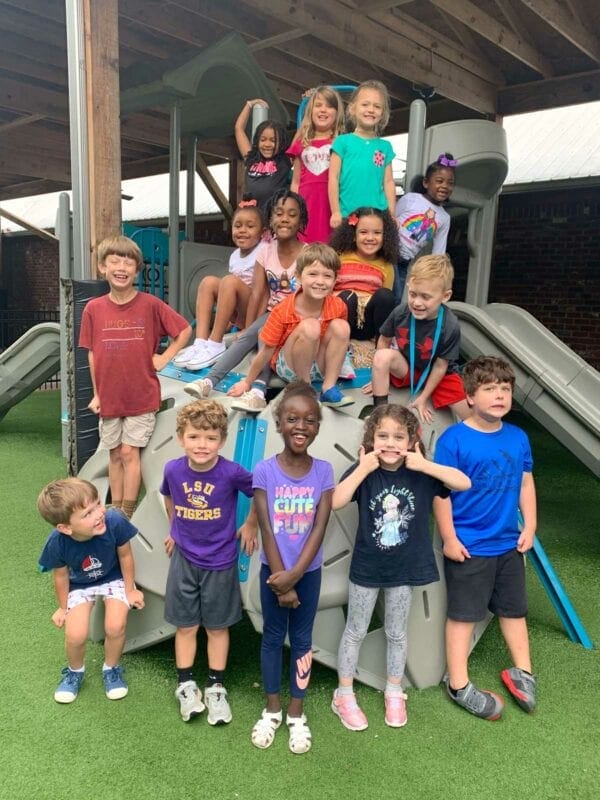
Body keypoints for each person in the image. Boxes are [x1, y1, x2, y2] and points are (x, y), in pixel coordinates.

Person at [330, 405, 470, 731]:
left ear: (411, 440)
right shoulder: (363, 470)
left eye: (398, 436)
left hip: (404, 571)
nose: (390, 443)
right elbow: (336, 501)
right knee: (355, 631)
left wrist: (425, 464)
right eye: (382, 436)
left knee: (396, 632)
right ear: (371, 439)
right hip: (366, 569)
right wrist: (363, 468)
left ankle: (394, 689)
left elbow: (463, 484)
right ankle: (344, 693)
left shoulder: (421, 473)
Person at [433, 355, 538, 721]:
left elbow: (526, 481)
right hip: (469, 547)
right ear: (471, 396)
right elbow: (440, 493)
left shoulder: (518, 437)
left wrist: (530, 526)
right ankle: (458, 683)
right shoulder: (454, 440)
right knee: (464, 615)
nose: (499, 396)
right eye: (489, 389)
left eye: (505, 389)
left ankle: (522, 671)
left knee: (514, 609)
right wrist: (448, 538)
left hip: (508, 543)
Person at [79, 235, 191, 519]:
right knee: (114, 453)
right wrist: (96, 393)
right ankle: (115, 510)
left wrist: (166, 357)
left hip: (141, 393)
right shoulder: (93, 309)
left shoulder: (151, 304)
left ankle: (127, 513)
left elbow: (184, 331)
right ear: (102, 267)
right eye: (114, 261)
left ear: (136, 270)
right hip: (109, 396)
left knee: (130, 453)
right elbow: (93, 353)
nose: (121, 267)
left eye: (128, 262)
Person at [249, 382, 334, 753]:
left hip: (307, 574)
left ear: (318, 426)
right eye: (293, 419)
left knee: (302, 641)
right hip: (273, 573)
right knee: (271, 638)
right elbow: (266, 526)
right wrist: (281, 583)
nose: (301, 426)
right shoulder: (265, 471)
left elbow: (320, 525)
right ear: (279, 423)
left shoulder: (325, 471)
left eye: (310, 420)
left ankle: (296, 713)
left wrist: (296, 576)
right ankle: (272, 709)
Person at [160, 400, 255, 724]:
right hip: (184, 560)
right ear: (181, 438)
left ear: (222, 441)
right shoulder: (173, 469)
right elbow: (168, 495)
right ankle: (186, 685)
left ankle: (215, 687)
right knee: (186, 626)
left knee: (216, 627)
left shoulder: (230, 472)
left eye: (211, 437)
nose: (202, 445)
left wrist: (252, 523)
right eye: (195, 436)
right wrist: (174, 527)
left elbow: (259, 490)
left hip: (221, 561)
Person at [184, 189, 307, 412]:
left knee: (265, 334)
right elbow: (259, 293)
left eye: (292, 214)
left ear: (301, 221)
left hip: (296, 314)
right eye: (279, 213)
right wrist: (248, 327)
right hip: (272, 312)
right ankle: (209, 381)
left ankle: (258, 390)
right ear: (271, 220)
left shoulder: (307, 254)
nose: (285, 219)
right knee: (250, 335)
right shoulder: (266, 252)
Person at [37, 478, 145, 704]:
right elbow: (61, 575)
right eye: (87, 513)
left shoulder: (114, 520)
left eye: (98, 504)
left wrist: (130, 590)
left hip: (113, 576)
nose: (98, 514)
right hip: (80, 584)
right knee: (75, 634)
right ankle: (75, 672)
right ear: (65, 528)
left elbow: (125, 555)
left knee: (115, 626)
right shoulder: (57, 542)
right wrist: (63, 607)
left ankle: (112, 668)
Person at [243, 243, 353, 408]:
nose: (320, 282)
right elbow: (266, 351)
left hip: (319, 365)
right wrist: (247, 382)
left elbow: (337, 339)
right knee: (311, 326)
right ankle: (305, 388)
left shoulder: (338, 305)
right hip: (290, 366)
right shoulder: (283, 310)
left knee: (342, 326)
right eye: (313, 274)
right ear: (299, 277)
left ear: (335, 280)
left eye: (327, 276)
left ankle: (328, 388)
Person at [367, 253, 470, 424]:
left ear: (445, 296)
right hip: (409, 366)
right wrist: (378, 375)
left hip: (441, 376)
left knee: (469, 417)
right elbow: (384, 340)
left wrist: (423, 397)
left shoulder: (450, 325)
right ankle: (380, 414)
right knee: (382, 356)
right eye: (413, 294)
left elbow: (440, 367)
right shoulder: (400, 312)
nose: (416, 302)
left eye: (425, 297)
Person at [174, 200, 265, 370]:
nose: (242, 230)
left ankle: (215, 344)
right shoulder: (235, 255)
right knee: (208, 282)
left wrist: (251, 328)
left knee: (229, 280)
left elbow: (262, 293)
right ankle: (201, 341)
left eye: (250, 226)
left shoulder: (264, 250)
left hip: (255, 313)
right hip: (239, 311)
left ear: (262, 232)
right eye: (237, 226)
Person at [328, 80, 395, 229]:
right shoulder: (342, 142)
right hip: (347, 215)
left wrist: (391, 214)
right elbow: (333, 178)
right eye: (365, 104)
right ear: (352, 108)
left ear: (383, 113)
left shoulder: (385, 147)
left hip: (378, 217)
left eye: (377, 106)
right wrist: (336, 211)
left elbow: (389, 182)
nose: (371, 109)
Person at [329, 206, 398, 341]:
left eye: (377, 232)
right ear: (353, 235)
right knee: (348, 297)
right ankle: (340, 343)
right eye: (363, 232)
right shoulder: (339, 257)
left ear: (385, 236)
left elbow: (385, 305)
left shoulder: (387, 266)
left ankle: (380, 343)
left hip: (367, 325)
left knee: (386, 296)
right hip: (340, 319)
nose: (370, 238)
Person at [394, 152, 457, 299]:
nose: (444, 186)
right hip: (389, 254)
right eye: (439, 181)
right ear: (426, 183)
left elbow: (438, 253)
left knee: (395, 301)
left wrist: (438, 278)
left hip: (404, 262)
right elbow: (391, 222)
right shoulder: (411, 199)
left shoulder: (444, 218)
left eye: (450, 183)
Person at [287, 86, 345, 243]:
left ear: (337, 112)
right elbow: (296, 181)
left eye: (329, 106)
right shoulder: (301, 143)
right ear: (310, 111)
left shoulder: (341, 143)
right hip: (307, 205)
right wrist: (293, 208)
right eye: (318, 105)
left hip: (331, 206)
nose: (323, 110)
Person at [234, 99, 290, 213]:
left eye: (273, 140)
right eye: (263, 140)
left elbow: (303, 133)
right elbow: (239, 129)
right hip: (253, 218)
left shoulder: (284, 160)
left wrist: (309, 101)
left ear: (281, 143)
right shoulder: (251, 158)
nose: (267, 144)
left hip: (273, 219)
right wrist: (249, 104)